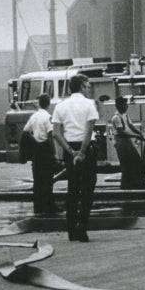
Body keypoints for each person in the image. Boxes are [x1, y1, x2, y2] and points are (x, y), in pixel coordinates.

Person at [52, 74, 99, 242]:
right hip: (86, 149)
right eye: (87, 86)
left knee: (72, 188)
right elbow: (89, 130)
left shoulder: (60, 107)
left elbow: (56, 133)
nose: (89, 89)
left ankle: (71, 230)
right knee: (87, 189)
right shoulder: (90, 104)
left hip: (69, 148)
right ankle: (82, 228)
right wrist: (82, 152)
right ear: (81, 87)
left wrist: (71, 152)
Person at [23, 93, 58, 215]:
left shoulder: (34, 116)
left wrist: (34, 141)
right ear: (48, 104)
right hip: (45, 149)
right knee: (47, 179)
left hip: (36, 150)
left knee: (37, 179)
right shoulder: (48, 117)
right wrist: (54, 152)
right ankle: (49, 206)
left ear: (39, 103)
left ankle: (38, 206)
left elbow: (25, 131)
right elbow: (50, 136)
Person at [110, 96, 145, 190]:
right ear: (118, 106)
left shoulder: (125, 115)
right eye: (124, 104)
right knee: (126, 164)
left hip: (127, 141)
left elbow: (131, 127)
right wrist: (136, 136)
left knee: (137, 162)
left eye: (126, 104)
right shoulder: (116, 117)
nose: (126, 106)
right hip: (121, 142)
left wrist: (140, 133)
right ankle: (126, 186)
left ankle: (137, 184)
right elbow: (121, 132)